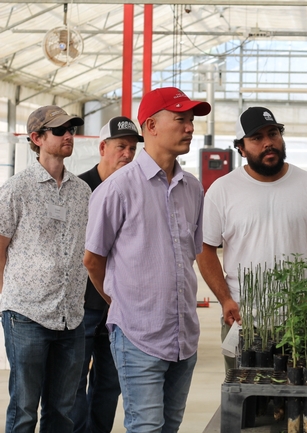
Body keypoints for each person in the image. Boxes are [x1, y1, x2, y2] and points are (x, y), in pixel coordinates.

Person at [83, 87, 210, 432]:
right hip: (138, 335)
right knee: (146, 427)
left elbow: (190, 255)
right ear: (151, 126)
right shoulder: (117, 188)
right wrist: (120, 302)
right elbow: (93, 259)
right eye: (180, 119)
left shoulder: (193, 189)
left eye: (191, 121)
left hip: (183, 336)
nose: (189, 127)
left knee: (169, 426)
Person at [196, 106, 307, 372]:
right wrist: (225, 299)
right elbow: (204, 249)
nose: (268, 143)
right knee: (244, 402)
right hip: (242, 321)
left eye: (273, 134)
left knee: (295, 402)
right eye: (257, 138)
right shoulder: (223, 190)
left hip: (297, 323)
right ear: (241, 148)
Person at [0, 105, 89, 432]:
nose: (68, 136)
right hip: (26, 315)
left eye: (72, 130)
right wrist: (7, 301)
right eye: (60, 130)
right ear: (37, 138)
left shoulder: (82, 192)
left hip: (71, 318)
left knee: (61, 411)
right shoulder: (16, 189)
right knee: (23, 408)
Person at [71, 116, 142, 433]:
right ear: (102, 148)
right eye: (120, 147)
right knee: (73, 381)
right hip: (82, 303)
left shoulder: (137, 189)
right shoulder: (79, 188)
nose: (127, 154)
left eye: (131, 148)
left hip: (119, 305)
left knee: (110, 383)